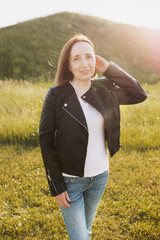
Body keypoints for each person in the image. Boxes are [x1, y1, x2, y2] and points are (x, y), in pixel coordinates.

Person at [39, 34, 147, 240]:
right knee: (80, 236)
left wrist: (110, 70)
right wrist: (56, 185)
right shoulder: (56, 94)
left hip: (100, 177)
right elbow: (45, 141)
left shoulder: (104, 88)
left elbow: (138, 94)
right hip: (70, 181)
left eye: (89, 56)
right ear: (68, 65)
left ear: (95, 60)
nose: (84, 63)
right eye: (77, 58)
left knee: (86, 230)